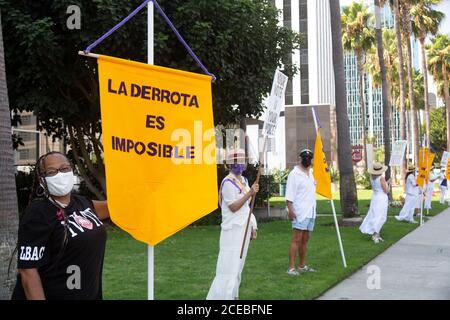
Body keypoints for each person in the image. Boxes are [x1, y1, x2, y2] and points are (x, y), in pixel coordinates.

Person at [11, 151, 110, 300]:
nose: (60, 174)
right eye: (51, 172)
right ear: (41, 179)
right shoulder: (38, 213)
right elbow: (28, 271)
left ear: (72, 170)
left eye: (64, 169)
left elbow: (115, 208)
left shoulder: (81, 203)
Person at [207, 149, 258, 300]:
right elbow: (233, 207)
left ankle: (234, 296)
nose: (239, 164)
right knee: (228, 268)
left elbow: (247, 208)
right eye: (236, 161)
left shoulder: (244, 181)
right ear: (230, 164)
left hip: (243, 229)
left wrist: (253, 226)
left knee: (237, 268)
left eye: (242, 160)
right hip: (232, 232)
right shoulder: (227, 182)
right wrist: (250, 194)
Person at [285, 149, 316, 276]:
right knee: (296, 239)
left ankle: (302, 265)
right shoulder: (294, 174)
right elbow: (289, 195)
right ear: (300, 158)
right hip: (299, 212)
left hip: (311, 211)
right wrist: (290, 210)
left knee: (305, 239)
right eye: (305, 158)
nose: (307, 160)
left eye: (309, 158)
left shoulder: (311, 173)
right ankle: (291, 267)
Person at [359, 163, 390, 243]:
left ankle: (377, 234)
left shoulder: (371, 178)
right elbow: (386, 190)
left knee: (375, 215)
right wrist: (390, 185)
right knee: (381, 216)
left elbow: (379, 186)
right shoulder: (381, 178)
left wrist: (387, 182)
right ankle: (375, 234)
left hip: (375, 197)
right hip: (381, 198)